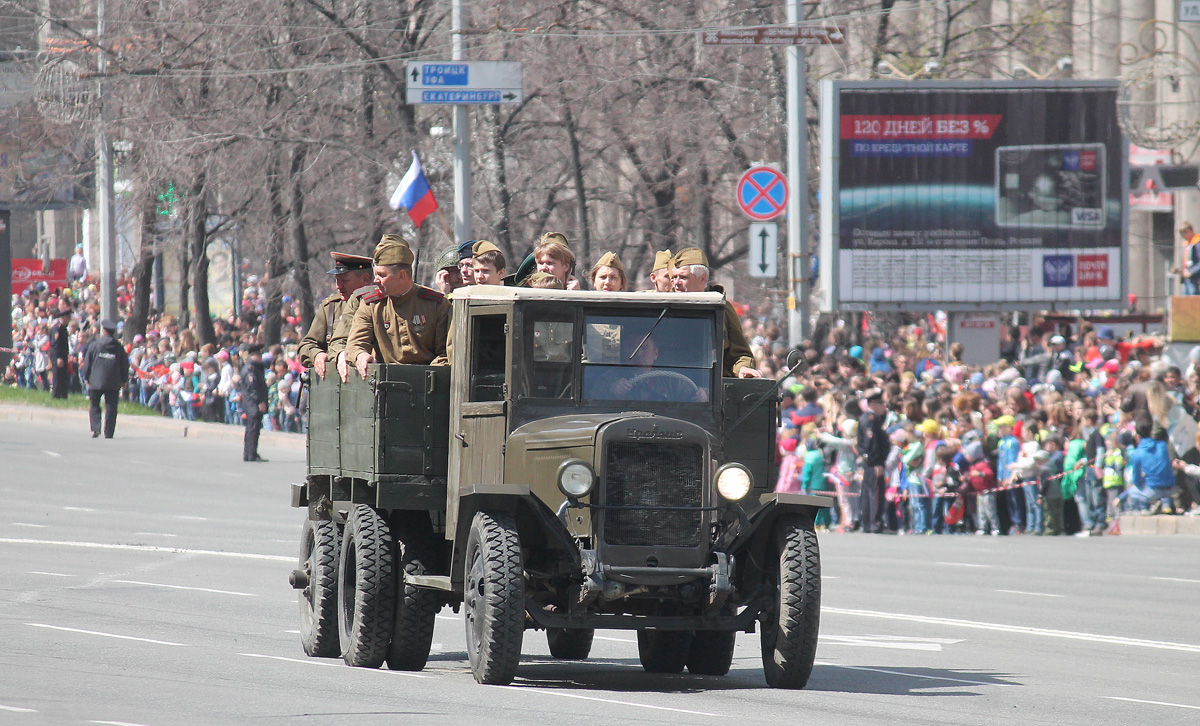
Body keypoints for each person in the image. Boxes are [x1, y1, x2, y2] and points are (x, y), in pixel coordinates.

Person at [346, 234, 451, 380]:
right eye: (375, 274)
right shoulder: (371, 305)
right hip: (386, 384)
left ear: (402, 275)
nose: (375, 280)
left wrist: (424, 378)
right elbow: (354, 345)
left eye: (382, 275)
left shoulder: (436, 305)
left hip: (428, 386)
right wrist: (361, 356)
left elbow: (446, 353)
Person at [669, 247, 760, 378]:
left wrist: (742, 368)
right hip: (669, 384)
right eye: (674, 277)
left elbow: (739, 353)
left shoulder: (722, 309)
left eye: (683, 277)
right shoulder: (665, 309)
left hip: (712, 387)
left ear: (702, 278)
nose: (676, 283)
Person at [297, 251, 374, 377]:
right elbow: (306, 345)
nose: (338, 286)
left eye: (344, 280)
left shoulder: (379, 306)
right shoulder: (331, 308)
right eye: (337, 280)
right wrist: (317, 355)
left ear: (365, 279)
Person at [82, 319, 129, 439]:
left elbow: (88, 363)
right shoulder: (118, 347)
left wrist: (86, 377)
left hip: (96, 380)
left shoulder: (95, 345)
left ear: (103, 330)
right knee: (111, 407)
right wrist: (124, 380)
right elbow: (124, 364)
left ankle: (96, 428)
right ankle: (109, 432)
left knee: (94, 405)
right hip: (113, 381)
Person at [856, 389, 890, 533]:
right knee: (874, 492)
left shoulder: (870, 418)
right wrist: (876, 462)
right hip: (873, 462)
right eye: (881, 403)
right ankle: (874, 522)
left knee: (869, 491)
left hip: (871, 461)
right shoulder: (870, 419)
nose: (884, 406)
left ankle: (869, 522)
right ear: (872, 403)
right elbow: (872, 443)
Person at [239, 343, 269, 462]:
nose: (260, 357)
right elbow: (253, 388)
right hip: (253, 403)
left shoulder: (254, 368)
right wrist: (260, 401)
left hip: (251, 403)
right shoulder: (251, 369)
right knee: (253, 429)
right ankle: (251, 453)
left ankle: (250, 453)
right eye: (258, 355)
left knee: (252, 428)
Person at [51, 301, 72, 399]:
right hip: (58, 356)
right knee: (57, 376)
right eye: (68, 318)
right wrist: (59, 357)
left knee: (63, 376)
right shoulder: (58, 328)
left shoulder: (63, 328)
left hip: (63, 356)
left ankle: (63, 395)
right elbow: (56, 344)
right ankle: (56, 395)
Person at [1173, 223, 1200, 294]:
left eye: (1183, 234)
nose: (1183, 237)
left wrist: (1191, 272)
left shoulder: (1197, 243)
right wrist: (1180, 270)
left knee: (1193, 301)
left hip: (1195, 279)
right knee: (1185, 300)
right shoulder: (1188, 244)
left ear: (1188, 231)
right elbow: (1187, 261)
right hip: (1187, 279)